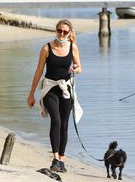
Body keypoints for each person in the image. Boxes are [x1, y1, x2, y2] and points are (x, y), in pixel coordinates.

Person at [27, 19, 82, 173]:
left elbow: (80, 68)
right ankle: (55, 158)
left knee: (64, 124)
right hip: (50, 88)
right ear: (56, 30)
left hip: (66, 89)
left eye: (65, 32)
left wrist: (75, 69)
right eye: (59, 31)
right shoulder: (46, 48)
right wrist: (31, 94)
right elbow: (38, 72)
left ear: (70, 33)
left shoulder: (73, 47)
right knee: (56, 121)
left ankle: (62, 160)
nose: (62, 34)